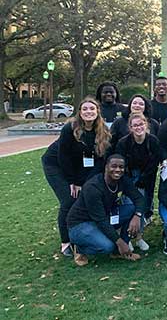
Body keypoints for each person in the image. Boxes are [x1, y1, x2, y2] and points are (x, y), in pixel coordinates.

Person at [53, 97, 112, 257]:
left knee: (84, 193)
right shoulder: (69, 128)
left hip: (81, 165)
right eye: (85, 109)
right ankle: (66, 241)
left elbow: (100, 160)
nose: (88, 112)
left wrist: (87, 183)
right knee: (68, 199)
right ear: (79, 112)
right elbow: (63, 157)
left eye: (92, 109)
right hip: (56, 164)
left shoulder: (103, 130)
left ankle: (86, 230)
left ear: (97, 112)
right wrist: (74, 181)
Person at [67, 154, 144, 266]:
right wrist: (119, 242)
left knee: (132, 209)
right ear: (106, 167)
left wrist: (137, 216)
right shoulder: (93, 187)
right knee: (108, 246)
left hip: (103, 217)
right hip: (80, 224)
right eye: (114, 166)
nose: (118, 170)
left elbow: (139, 199)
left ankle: (119, 252)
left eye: (121, 167)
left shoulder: (123, 180)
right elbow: (101, 220)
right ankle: (79, 248)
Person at [114, 114, 161, 251]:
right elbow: (120, 163)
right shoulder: (123, 143)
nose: (138, 127)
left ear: (146, 125)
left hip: (147, 176)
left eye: (141, 124)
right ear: (130, 128)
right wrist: (128, 182)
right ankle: (126, 237)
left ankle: (139, 237)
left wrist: (144, 178)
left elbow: (155, 161)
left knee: (143, 206)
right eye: (135, 125)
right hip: (128, 176)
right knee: (129, 205)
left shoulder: (153, 140)